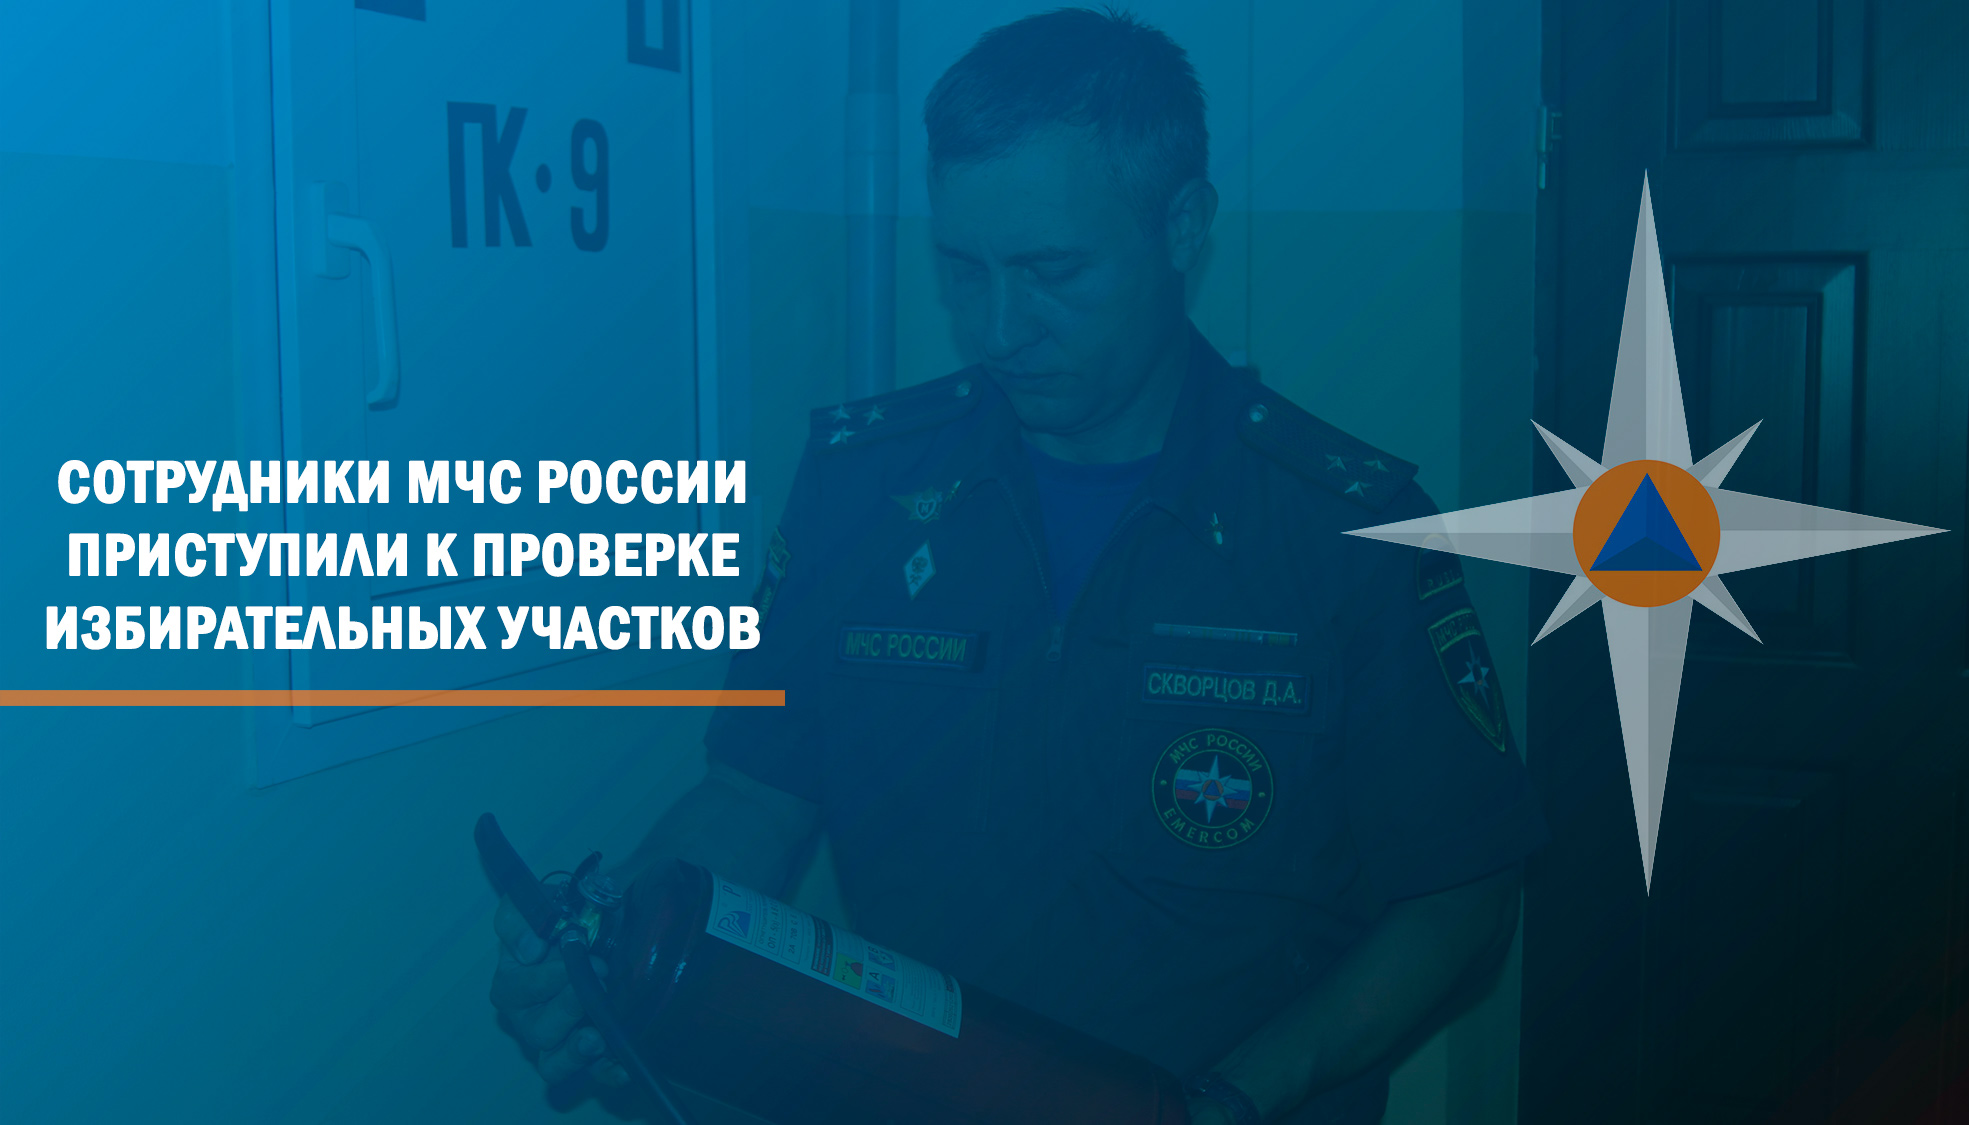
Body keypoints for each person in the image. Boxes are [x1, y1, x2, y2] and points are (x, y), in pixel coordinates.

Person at [490, 9, 1546, 1123]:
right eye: (963, 268)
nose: (998, 328)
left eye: (1050, 271)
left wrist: (1235, 1099)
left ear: (1182, 226)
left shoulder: (1342, 531)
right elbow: (753, 792)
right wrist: (611, 938)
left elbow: (1458, 901)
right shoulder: (859, 489)